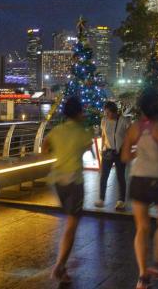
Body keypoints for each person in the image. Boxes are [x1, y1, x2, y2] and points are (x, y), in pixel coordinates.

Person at [121, 89, 158, 289]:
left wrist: (139, 152)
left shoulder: (133, 128)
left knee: (142, 228)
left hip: (139, 180)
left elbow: (125, 157)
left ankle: (142, 276)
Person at [42, 97, 94, 284]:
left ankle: (62, 271)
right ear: (79, 113)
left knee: (68, 221)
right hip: (74, 181)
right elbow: (88, 147)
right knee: (71, 226)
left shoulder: (57, 130)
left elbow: (45, 146)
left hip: (57, 181)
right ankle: (59, 266)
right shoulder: (82, 132)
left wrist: (57, 152)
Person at [96, 101, 130, 209]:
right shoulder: (104, 121)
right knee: (104, 176)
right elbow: (103, 135)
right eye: (105, 112)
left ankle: (121, 200)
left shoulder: (123, 121)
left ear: (114, 111)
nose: (106, 115)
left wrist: (126, 149)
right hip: (107, 151)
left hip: (120, 152)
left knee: (120, 176)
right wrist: (102, 149)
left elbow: (129, 136)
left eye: (108, 112)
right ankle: (101, 199)